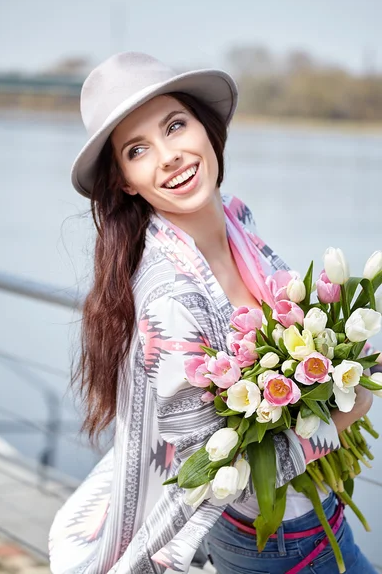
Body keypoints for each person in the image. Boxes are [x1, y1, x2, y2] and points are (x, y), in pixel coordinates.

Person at [48, 51, 380, 574]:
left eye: (175, 126)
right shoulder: (170, 297)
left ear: (205, 129)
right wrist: (343, 413)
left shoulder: (236, 226)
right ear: (127, 182)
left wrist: (350, 355)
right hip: (277, 543)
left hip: (307, 522)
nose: (169, 156)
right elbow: (216, 467)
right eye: (139, 150)